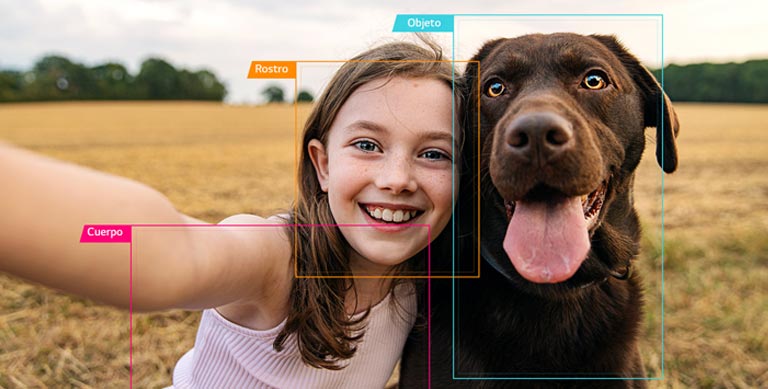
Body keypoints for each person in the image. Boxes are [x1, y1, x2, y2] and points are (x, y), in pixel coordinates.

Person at [0, 38, 462, 388]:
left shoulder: (423, 277)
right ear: (322, 164)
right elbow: (168, 253)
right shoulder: (274, 260)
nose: (398, 178)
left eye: (436, 154)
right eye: (367, 145)